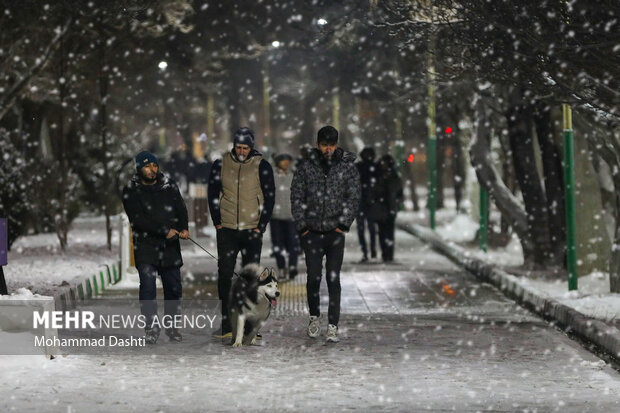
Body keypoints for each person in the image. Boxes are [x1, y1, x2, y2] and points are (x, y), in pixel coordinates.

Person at [291, 125, 361, 343]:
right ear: (317, 144)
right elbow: (296, 195)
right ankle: (314, 316)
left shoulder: (347, 167)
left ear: (337, 144)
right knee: (313, 277)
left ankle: (333, 324)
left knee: (333, 278)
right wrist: (302, 225)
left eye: (331, 145)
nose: (328, 149)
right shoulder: (306, 167)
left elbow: (353, 197)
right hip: (311, 232)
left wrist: (343, 224)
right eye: (324, 145)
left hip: (334, 233)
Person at [208, 127, 275, 338]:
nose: (242, 151)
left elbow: (269, 196)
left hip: (251, 230)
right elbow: (212, 192)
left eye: (246, 147)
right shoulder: (221, 164)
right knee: (225, 275)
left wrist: (261, 225)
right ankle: (227, 323)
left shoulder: (262, 166)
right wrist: (217, 221)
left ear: (251, 147)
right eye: (238, 147)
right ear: (234, 145)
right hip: (227, 229)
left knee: (251, 280)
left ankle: (250, 326)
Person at [122, 150, 189, 344]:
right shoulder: (131, 190)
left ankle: (173, 327)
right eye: (147, 166)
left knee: (174, 288)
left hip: (170, 247)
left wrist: (183, 228)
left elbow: (180, 208)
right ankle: (151, 327)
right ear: (138, 168)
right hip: (146, 246)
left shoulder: (169, 185)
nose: (152, 170)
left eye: (154, 165)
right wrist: (163, 230)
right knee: (148, 287)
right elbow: (137, 219)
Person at [368, 154, 403, 263]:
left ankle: (389, 254)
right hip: (381, 209)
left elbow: (399, 193)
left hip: (389, 208)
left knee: (389, 233)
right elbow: (372, 192)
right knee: (382, 233)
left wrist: (396, 203)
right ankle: (385, 253)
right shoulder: (378, 176)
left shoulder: (394, 177)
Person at [270, 153, 300, 280]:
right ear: (278, 163)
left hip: (291, 216)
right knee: (278, 244)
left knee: (293, 244)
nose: (286, 163)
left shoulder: (294, 176)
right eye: (283, 161)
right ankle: (281, 267)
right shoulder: (271, 177)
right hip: (276, 217)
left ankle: (292, 266)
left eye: (288, 160)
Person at [356, 147, 378, 262]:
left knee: (362, 229)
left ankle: (365, 251)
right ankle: (372, 250)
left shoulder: (358, 167)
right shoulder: (375, 168)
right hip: (370, 202)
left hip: (361, 202)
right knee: (371, 229)